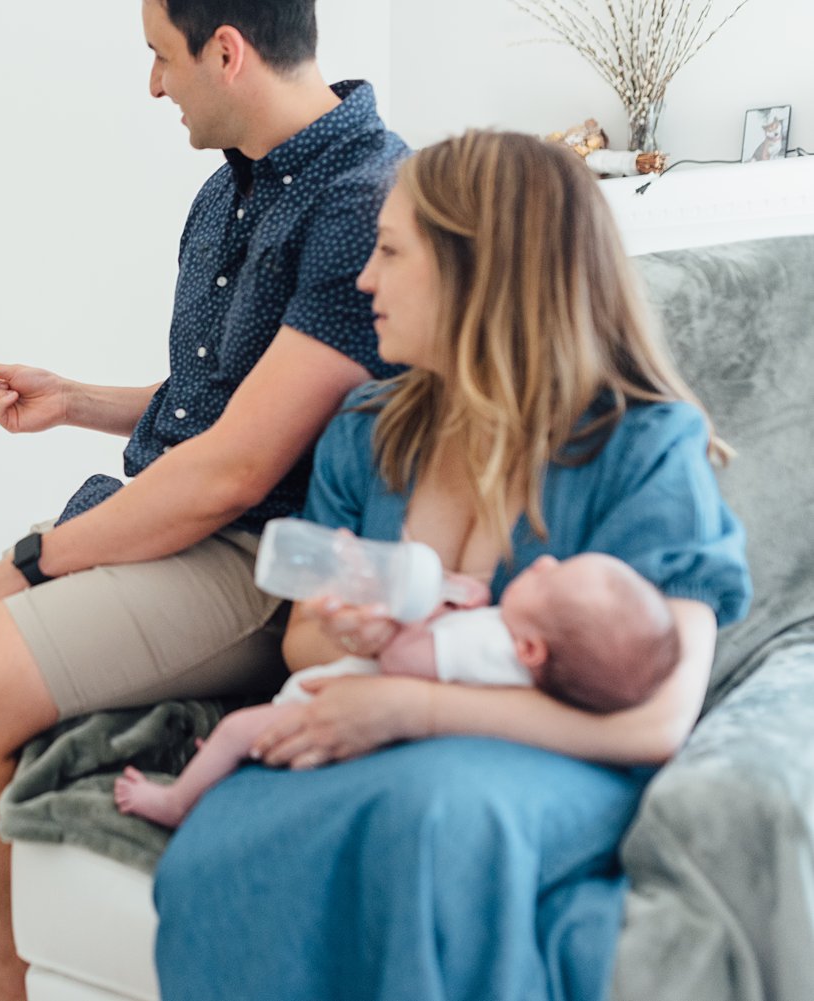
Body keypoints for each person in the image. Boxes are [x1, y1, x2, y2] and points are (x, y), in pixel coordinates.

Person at [0, 1, 408, 998]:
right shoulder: (226, 192)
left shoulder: (364, 200)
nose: (152, 85)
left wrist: (30, 559)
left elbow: (236, 468)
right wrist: (77, 401)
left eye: (159, 58)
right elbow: (217, 406)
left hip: (257, 553)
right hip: (168, 510)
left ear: (226, 51)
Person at [150, 129, 752, 1001]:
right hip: (373, 727)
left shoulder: (645, 446)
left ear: (484, 269)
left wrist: (411, 704)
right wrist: (359, 628)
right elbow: (306, 643)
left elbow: (656, 718)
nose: (364, 281)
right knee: (212, 855)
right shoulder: (369, 426)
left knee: (432, 826)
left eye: (390, 252)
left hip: (551, 759)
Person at [115, 551, 680, 828]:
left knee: (238, 728)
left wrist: (415, 610)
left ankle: (174, 802)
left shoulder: (492, 648)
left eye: (551, 578)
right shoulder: (517, 659)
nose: (546, 562)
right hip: (360, 725)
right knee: (250, 735)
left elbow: (407, 659)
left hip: (335, 712)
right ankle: (225, 765)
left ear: (533, 651)